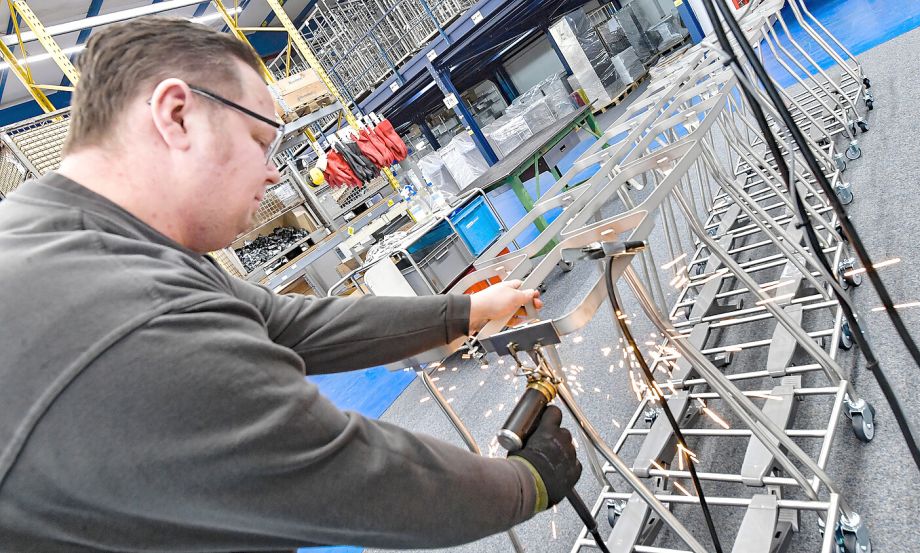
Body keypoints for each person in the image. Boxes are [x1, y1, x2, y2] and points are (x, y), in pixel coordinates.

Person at [0, 16, 582, 552]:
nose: (275, 170)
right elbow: (350, 476)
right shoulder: (128, 308)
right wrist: (527, 482)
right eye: (260, 141)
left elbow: (292, 323)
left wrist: (467, 310)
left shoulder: (77, 237)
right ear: (177, 115)